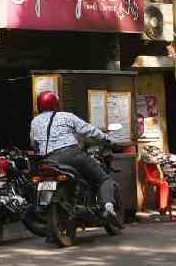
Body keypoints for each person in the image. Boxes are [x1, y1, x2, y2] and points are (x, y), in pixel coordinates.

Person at [29, 91, 121, 227]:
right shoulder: (66, 116)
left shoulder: (35, 121)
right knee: (103, 179)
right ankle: (108, 207)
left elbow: (34, 143)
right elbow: (88, 129)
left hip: (48, 160)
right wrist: (107, 138)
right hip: (71, 154)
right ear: (56, 103)